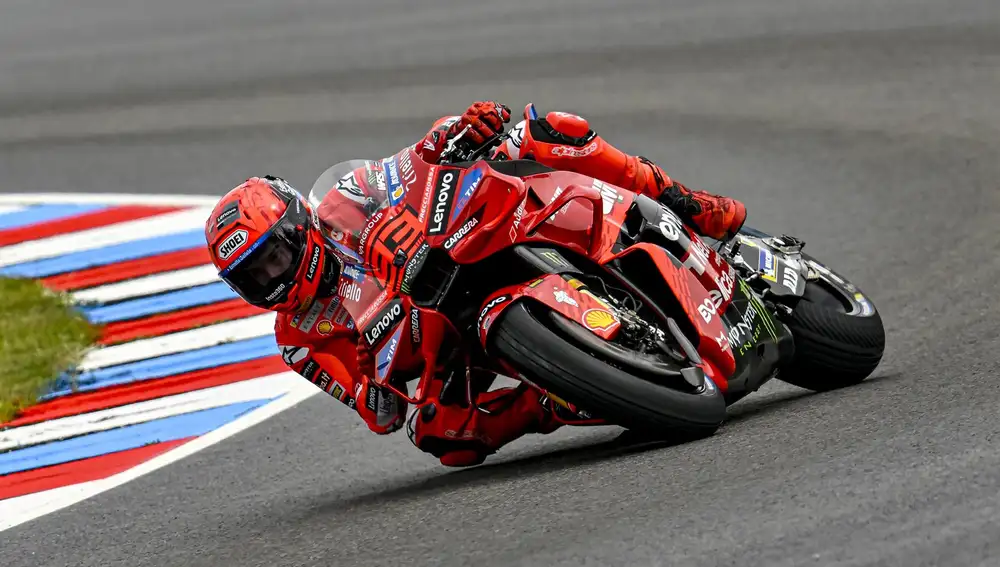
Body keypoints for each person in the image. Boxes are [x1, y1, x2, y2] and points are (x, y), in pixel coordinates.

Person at [204, 101, 747, 467]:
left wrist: (460, 132)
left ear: (299, 225)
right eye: (254, 277)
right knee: (442, 436)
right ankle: (562, 397)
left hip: (459, 244)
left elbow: (410, 163)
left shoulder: (344, 199)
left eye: (273, 258)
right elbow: (380, 414)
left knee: (550, 131)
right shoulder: (298, 340)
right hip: (442, 344)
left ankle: (687, 203)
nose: (272, 278)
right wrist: (374, 383)